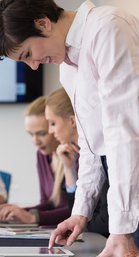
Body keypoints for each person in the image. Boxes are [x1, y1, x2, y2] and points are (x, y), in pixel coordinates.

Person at [0, 0, 139, 257]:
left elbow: (123, 131)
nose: (33, 64)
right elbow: (91, 145)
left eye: (28, 53)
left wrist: (121, 229)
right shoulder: (68, 66)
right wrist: (80, 212)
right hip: (123, 165)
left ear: (43, 23)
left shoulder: (108, 27)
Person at [0, 96, 70, 226]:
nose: (35, 141)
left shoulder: (75, 157)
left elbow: (77, 212)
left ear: (54, 127)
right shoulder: (42, 155)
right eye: (31, 134)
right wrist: (18, 211)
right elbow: (47, 203)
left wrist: (33, 217)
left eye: (41, 134)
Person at [46, 88, 109, 238]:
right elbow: (76, 215)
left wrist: (81, 224)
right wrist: (69, 169)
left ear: (73, 121)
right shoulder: (77, 155)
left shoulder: (103, 153)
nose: (50, 131)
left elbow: (103, 222)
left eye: (53, 123)